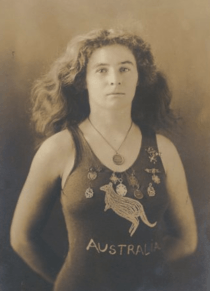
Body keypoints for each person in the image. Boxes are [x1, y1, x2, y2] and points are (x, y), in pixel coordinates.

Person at [10, 28, 198, 291]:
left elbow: (187, 241)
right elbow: (22, 238)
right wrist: (71, 281)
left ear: (139, 78)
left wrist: (140, 272)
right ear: (83, 80)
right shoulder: (60, 148)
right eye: (101, 70)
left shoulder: (163, 150)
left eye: (125, 69)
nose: (115, 80)